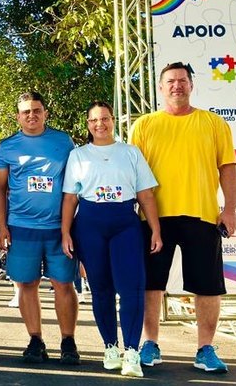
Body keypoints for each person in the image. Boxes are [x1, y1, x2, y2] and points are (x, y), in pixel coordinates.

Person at [130, 62, 236, 374]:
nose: (177, 85)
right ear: (161, 88)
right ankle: (150, 343)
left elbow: (228, 168)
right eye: (170, 81)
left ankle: (205, 349)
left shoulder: (214, 123)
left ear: (192, 85)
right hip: (154, 219)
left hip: (202, 215)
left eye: (182, 80)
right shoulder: (145, 125)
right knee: (151, 284)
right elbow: (134, 174)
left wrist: (229, 209)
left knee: (208, 287)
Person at [61, 102, 161, 377]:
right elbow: (70, 197)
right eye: (93, 120)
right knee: (101, 288)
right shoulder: (78, 155)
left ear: (113, 120)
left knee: (131, 288)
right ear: (88, 125)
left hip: (125, 224)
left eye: (104, 118)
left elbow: (146, 195)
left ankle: (131, 352)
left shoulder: (130, 152)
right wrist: (65, 232)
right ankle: (110, 348)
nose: (99, 124)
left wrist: (155, 229)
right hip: (90, 225)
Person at [0, 91, 79, 365]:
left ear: (45, 113)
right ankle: (35, 339)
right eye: (26, 111)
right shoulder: (7, 146)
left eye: (37, 110)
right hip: (21, 227)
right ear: (18, 116)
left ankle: (68, 341)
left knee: (63, 284)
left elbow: (75, 182)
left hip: (59, 228)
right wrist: (1, 226)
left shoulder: (63, 142)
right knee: (26, 284)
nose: (32, 115)